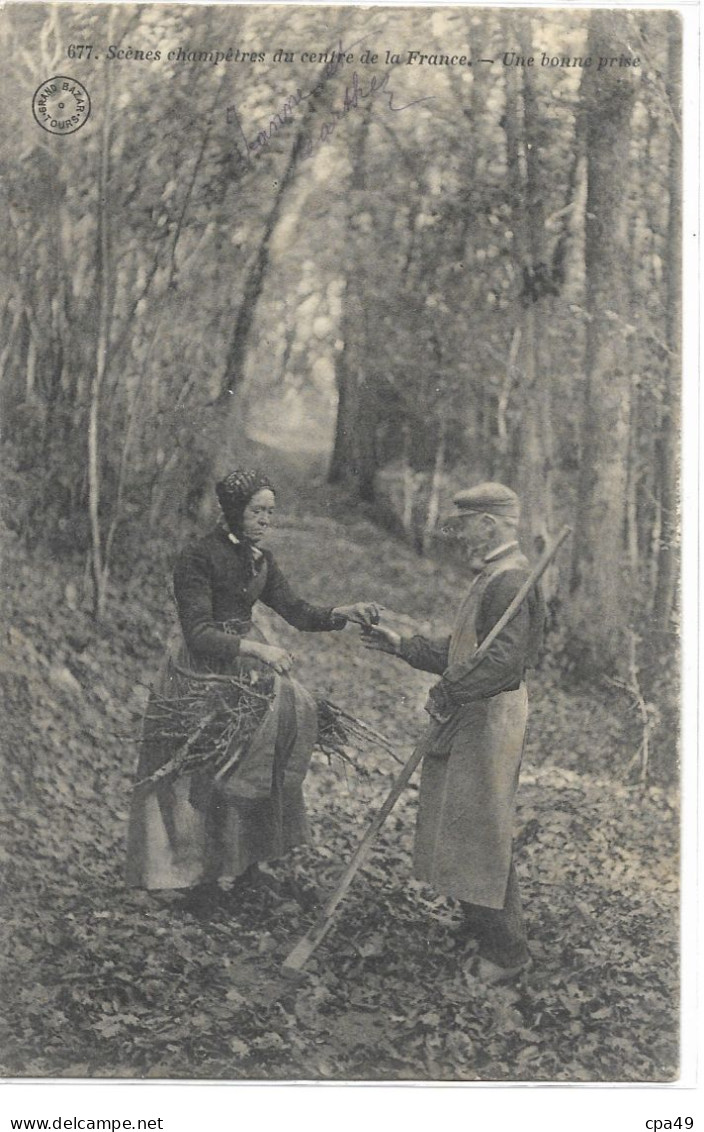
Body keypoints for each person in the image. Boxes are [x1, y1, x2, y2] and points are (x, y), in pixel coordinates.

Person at [126, 468, 379, 912]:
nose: (266, 519)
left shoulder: (261, 560)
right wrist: (257, 650)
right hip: (199, 672)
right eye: (257, 511)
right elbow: (199, 632)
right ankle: (187, 877)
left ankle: (245, 870)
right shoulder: (197, 558)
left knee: (252, 766)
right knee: (197, 770)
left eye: (270, 511)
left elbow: (296, 611)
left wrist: (344, 612)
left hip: (245, 669)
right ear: (233, 511)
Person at [363, 482, 544, 983]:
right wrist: (402, 645)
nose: (460, 537)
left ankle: (508, 953)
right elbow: (467, 651)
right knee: (462, 823)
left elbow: (504, 666)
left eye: (465, 526)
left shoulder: (512, 581)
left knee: (483, 828)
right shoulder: (492, 577)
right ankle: (479, 925)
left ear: (487, 525)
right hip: (473, 710)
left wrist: (452, 688)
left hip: (491, 717)